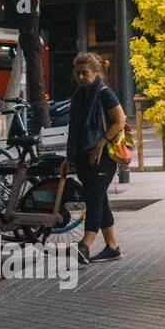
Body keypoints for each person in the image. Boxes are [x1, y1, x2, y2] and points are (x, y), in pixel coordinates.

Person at [66, 52, 126, 265]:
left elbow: (120, 121)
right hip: (85, 157)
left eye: (85, 73)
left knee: (94, 199)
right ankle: (112, 247)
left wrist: (100, 143)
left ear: (96, 72)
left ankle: (85, 244)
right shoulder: (80, 95)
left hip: (103, 157)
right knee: (100, 199)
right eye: (78, 73)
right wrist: (69, 157)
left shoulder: (104, 93)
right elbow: (74, 129)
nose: (81, 77)